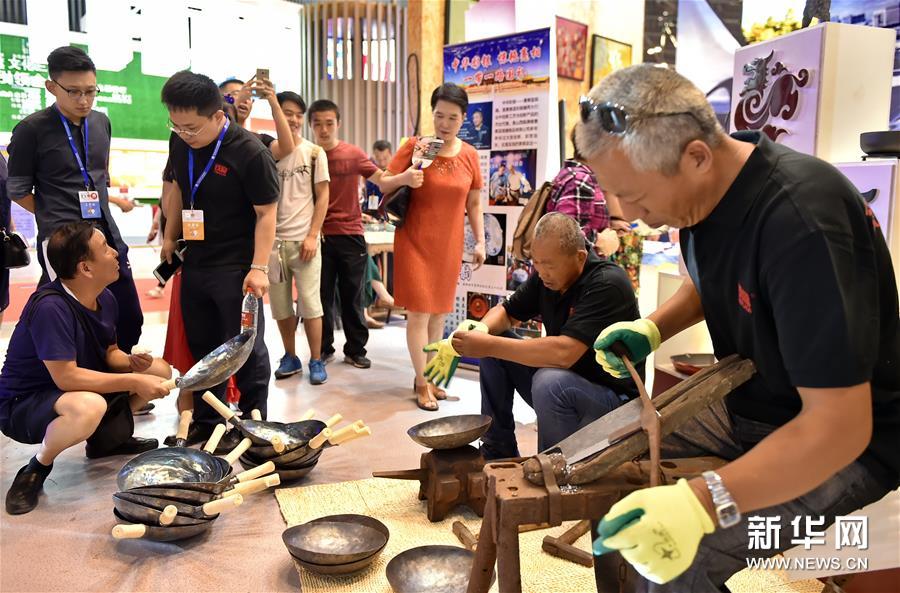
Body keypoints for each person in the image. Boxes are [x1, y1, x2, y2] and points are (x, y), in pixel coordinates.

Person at [580, 64, 899, 590]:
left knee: (674, 560)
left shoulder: (802, 221)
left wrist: (700, 502)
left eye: (636, 197)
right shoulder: (705, 196)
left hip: (844, 442)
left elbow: (840, 425)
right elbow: (718, 282)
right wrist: (653, 328)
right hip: (750, 405)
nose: (632, 216)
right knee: (603, 476)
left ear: (697, 156)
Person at [0, 222, 171, 515]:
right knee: (88, 406)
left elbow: (110, 352)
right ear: (85, 268)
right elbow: (66, 376)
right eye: (104, 248)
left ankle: (107, 438)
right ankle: (36, 468)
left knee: (160, 371)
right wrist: (133, 380)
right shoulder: (50, 307)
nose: (115, 253)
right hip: (24, 403)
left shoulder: (105, 297)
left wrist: (132, 364)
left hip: (68, 390)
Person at [445, 213, 640, 457]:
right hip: (568, 383)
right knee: (497, 347)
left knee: (548, 380)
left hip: (616, 404)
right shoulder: (547, 278)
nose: (541, 271)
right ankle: (498, 452)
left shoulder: (607, 284)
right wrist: (481, 330)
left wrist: (488, 344)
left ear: (580, 257)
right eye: (536, 263)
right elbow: (506, 312)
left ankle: (555, 468)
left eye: (548, 265)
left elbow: (564, 354)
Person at [160, 71, 279, 450]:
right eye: (176, 126)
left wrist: (258, 268)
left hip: (237, 269)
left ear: (217, 115)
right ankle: (210, 420)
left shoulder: (249, 151)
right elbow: (178, 188)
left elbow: (266, 214)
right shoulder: (180, 143)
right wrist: (168, 235)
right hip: (196, 262)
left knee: (244, 347)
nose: (184, 134)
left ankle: (254, 422)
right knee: (203, 347)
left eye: (192, 127)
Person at [6, 46, 144, 353]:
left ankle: (119, 389)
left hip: (106, 234)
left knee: (128, 314)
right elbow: (17, 190)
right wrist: (52, 217)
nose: (83, 100)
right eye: (73, 92)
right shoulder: (31, 129)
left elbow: (99, 176)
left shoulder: (101, 123)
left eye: (90, 91)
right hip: (63, 240)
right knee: (74, 318)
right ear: (51, 87)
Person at [381, 83, 485, 411]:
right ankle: (423, 383)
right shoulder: (418, 146)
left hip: (449, 245)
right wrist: (405, 178)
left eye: (452, 118)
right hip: (414, 239)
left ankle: (426, 377)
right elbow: (383, 181)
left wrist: (480, 240)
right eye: (439, 115)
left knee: (439, 315)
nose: (444, 123)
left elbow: (474, 204)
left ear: (463, 118)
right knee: (418, 314)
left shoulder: (469, 155)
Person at [306, 99, 409, 369]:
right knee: (321, 296)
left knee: (353, 295)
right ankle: (323, 348)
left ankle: (355, 349)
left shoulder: (352, 154)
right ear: (311, 126)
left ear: (338, 123)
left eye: (329, 123)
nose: (324, 129)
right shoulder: (309, 155)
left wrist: (405, 178)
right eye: (318, 124)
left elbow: (382, 180)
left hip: (351, 233)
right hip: (318, 236)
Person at [266, 90, 330, 385]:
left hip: (305, 242)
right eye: (286, 112)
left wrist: (312, 235)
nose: (292, 119)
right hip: (274, 244)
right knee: (280, 306)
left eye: (296, 114)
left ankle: (316, 359)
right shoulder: (268, 152)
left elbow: (323, 196)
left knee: (310, 303)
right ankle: (290, 355)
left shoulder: (315, 152)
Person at [365, 140, 393, 212]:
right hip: (371, 212)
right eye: (378, 158)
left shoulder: (398, 170)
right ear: (373, 155)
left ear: (391, 154)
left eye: (385, 158)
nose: (382, 163)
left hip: (389, 212)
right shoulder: (368, 167)